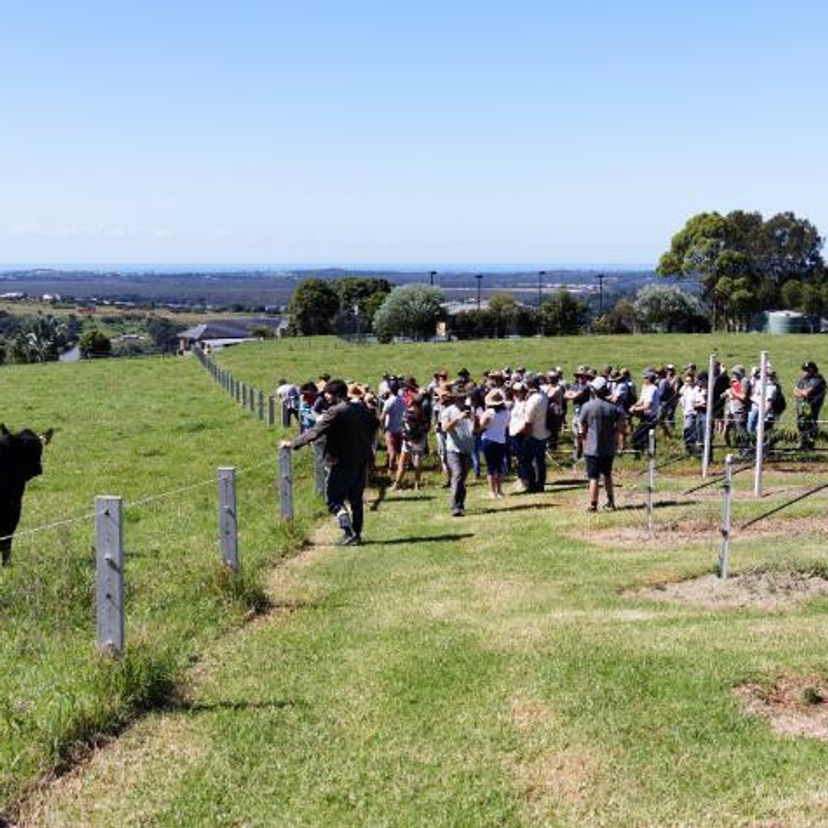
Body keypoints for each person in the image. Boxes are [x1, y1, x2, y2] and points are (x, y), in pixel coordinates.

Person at [280, 379, 377, 546]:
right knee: (356, 500)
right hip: (361, 459)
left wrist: (293, 444)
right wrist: (363, 439)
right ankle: (357, 535)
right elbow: (375, 423)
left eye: (327, 393)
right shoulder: (358, 408)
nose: (324, 395)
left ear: (334, 394)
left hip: (341, 461)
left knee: (333, 500)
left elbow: (315, 431)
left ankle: (348, 531)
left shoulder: (335, 411)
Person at [578, 376, 626, 512]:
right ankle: (611, 501)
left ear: (594, 390)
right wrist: (616, 434)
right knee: (607, 475)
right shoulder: (613, 408)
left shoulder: (587, 406)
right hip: (608, 448)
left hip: (592, 448)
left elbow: (582, 425)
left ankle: (593, 505)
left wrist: (584, 438)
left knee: (593, 478)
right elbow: (622, 424)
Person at [438, 385, 475, 516]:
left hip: (467, 449)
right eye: (460, 398)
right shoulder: (447, 411)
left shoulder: (470, 410)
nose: (463, 400)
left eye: (464, 397)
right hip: (453, 449)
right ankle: (455, 507)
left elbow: (476, 430)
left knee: (462, 479)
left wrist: (474, 420)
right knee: (458, 475)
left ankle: (460, 504)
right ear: (454, 399)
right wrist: (458, 418)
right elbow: (445, 428)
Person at [478, 388, 510, 498]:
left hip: (488, 440)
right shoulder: (506, 413)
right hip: (501, 440)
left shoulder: (488, 413)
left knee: (490, 467)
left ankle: (492, 491)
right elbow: (506, 426)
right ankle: (500, 490)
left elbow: (480, 426)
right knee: (499, 466)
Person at [794, 361, 826, 451]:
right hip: (802, 406)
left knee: (810, 425)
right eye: (804, 370)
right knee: (801, 424)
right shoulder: (803, 379)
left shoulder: (818, 379)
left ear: (813, 370)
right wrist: (800, 392)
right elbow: (794, 391)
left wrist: (799, 391)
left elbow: (806, 393)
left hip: (813, 407)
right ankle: (803, 444)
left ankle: (810, 445)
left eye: (807, 370)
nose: (805, 372)